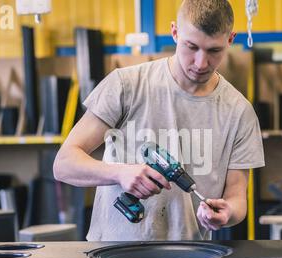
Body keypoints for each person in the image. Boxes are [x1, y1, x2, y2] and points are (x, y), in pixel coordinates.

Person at [54, 0, 265, 241]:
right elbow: (64, 164)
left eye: (214, 51)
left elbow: (237, 197)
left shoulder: (239, 112)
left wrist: (228, 214)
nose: (200, 63)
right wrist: (119, 174)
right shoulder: (126, 86)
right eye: (191, 46)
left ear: (230, 39)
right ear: (174, 32)